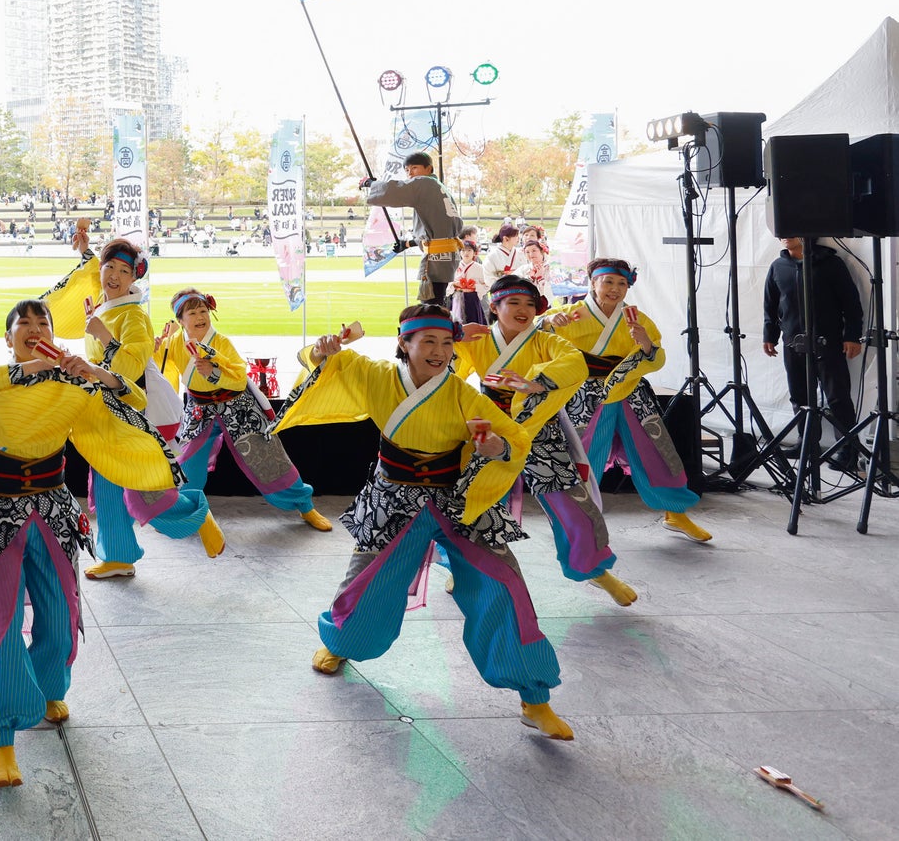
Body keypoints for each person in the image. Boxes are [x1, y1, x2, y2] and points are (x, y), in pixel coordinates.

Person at [0, 298, 180, 787]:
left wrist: (95, 373)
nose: (34, 330)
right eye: (25, 326)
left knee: (61, 614)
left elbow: (137, 403)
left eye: (44, 324)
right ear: (8, 337)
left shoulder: (73, 384)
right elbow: (2, 381)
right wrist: (48, 362)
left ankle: (49, 686)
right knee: (3, 622)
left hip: (54, 510)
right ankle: (3, 739)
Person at [277, 304, 572, 741]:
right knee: (367, 582)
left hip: (458, 498)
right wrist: (319, 351)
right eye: (428, 341)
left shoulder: (461, 392)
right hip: (394, 494)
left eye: (447, 343)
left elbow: (514, 437)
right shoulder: (375, 375)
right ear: (404, 343)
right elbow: (322, 362)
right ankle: (341, 643)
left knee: (505, 585)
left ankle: (534, 697)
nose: (439, 351)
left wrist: (495, 449)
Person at [39, 225, 217, 578]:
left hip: (133, 409)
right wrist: (86, 253)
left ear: (134, 277)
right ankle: (118, 556)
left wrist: (104, 338)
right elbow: (96, 273)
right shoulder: (108, 298)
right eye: (110, 268)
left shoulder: (133, 315)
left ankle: (197, 513)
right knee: (106, 485)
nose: (114, 276)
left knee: (141, 491)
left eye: (124, 271)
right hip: (106, 412)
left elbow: (130, 367)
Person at [456, 274, 637, 606]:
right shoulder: (477, 341)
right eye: (513, 303)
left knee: (573, 504)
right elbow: (442, 371)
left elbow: (574, 363)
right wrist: (454, 336)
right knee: (470, 501)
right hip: (489, 429)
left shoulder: (543, 339)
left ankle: (594, 568)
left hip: (538, 428)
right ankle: (464, 564)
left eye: (529, 304)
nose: (523, 310)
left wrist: (535, 383)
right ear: (494, 307)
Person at [545, 259, 711, 542]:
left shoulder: (636, 318)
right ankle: (576, 521)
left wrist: (646, 342)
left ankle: (676, 512)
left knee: (656, 453)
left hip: (630, 392)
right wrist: (548, 323)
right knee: (584, 457)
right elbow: (535, 344)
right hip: (586, 396)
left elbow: (656, 357)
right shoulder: (568, 314)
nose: (615, 289)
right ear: (592, 282)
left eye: (622, 283)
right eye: (608, 281)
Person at [152, 289, 334, 533]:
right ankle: (185, 512)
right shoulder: (174, 343)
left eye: (204, 311)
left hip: (238, 407)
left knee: (269, 459)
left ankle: (304, 504)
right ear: (180, 320)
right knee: (187, 464)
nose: (200, 317)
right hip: (200, 409)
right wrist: (152, 349)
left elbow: (239, 379)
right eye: (192, 312)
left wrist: (213, 372)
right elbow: (158, 365)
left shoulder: (222, 343)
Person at [762, 237, 865, 476]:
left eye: (790, 231)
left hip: (827, 342)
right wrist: (770, 335)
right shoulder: (778, 267)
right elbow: (771, 304)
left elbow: (851, 303)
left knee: (837, 396)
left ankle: (847, 448)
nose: (783, 236)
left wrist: (852, 335)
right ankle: (807, 442)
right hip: (793, 342)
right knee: (799, 395)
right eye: (781, 232)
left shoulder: (831, 264)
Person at [362, 153, 464, 303]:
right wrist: (407, 244)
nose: (410, 173)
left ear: (429, 169)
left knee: (431, 306)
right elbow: (434, 232)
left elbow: (395, 190)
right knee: (437, 300)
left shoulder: (424, 183)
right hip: (446, 254)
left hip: (437, 258)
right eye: (407, 169)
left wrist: (370, 184)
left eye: (414, 168)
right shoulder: (438, 187)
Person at [451, 239, 488, 326]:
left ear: (474, 252)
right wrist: (455, 284)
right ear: (459, 252)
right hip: (458, 297)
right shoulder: (455, 266)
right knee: (457, 322)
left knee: (473, 322)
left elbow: (486, 285)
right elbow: (449, 283)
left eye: (469, 250)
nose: (466, 253)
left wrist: (475, 286)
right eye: (463, 250)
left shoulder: (479, 268)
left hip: (473, 298)